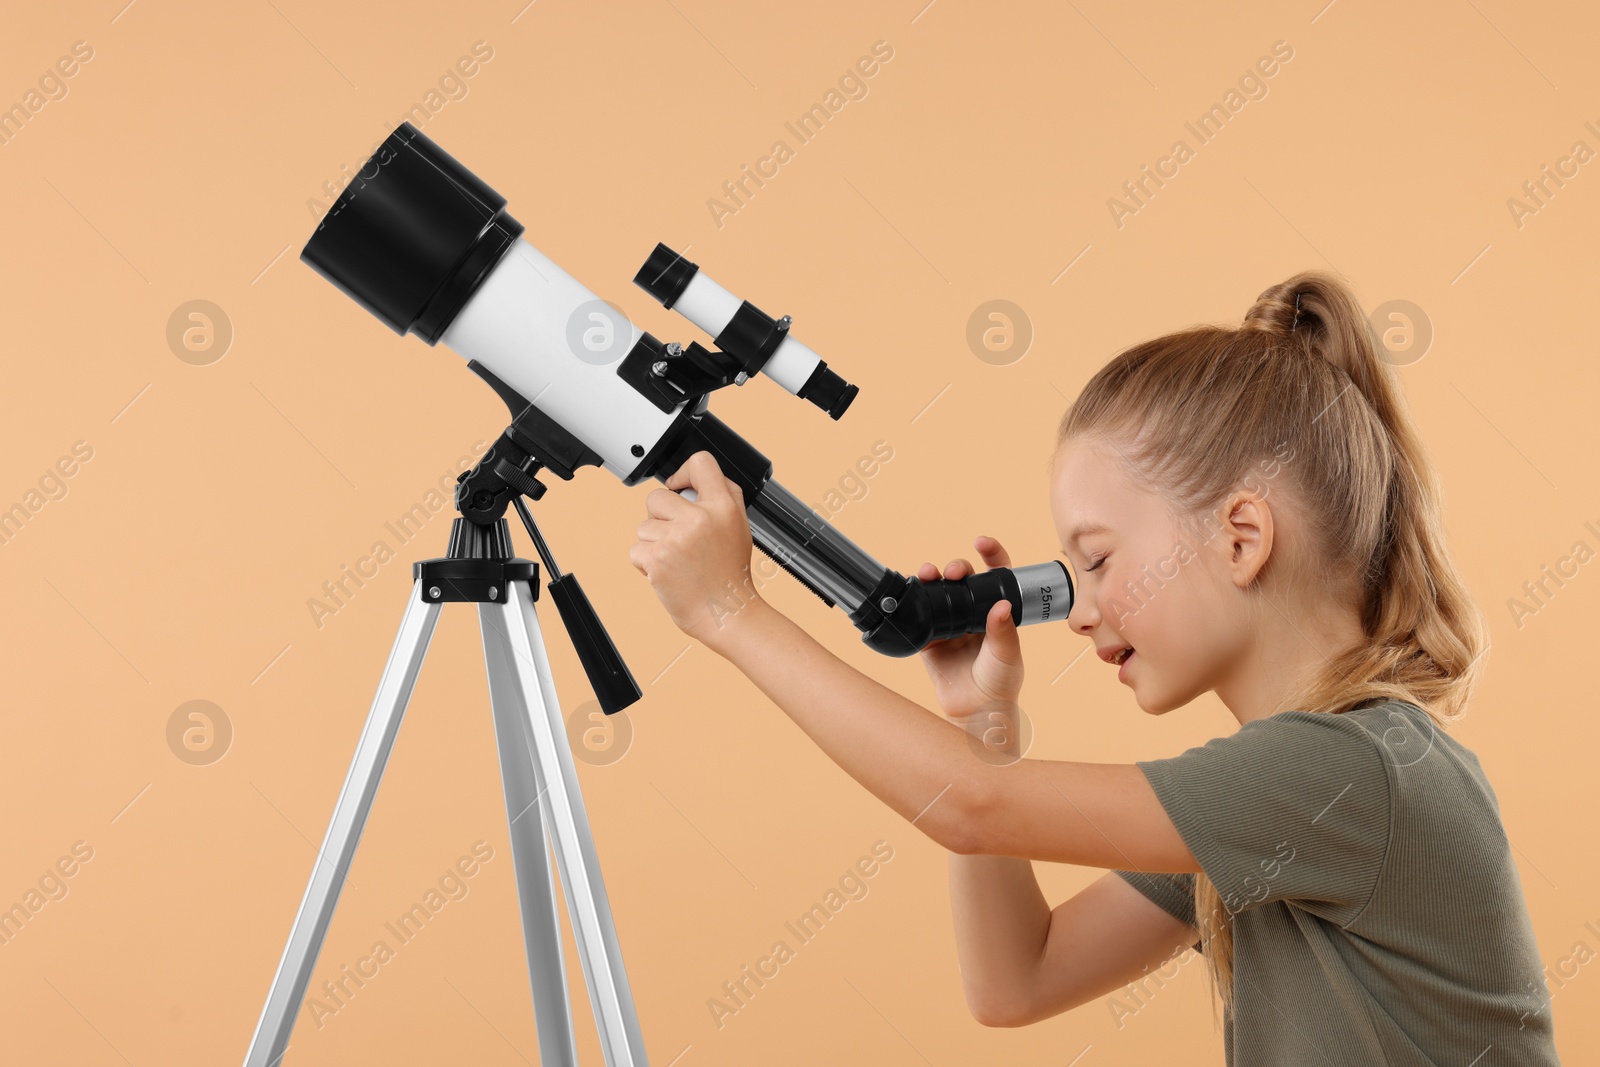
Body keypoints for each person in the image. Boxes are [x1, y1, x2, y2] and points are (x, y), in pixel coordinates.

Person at [627, 271, 1560, 1065]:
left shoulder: (1353, 773)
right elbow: (1016, 978)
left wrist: (730, 613)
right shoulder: (1273, 800)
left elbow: (971, 808)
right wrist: (981, 724)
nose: (1077, 609)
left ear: (1241, 536)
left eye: (1102, 560)